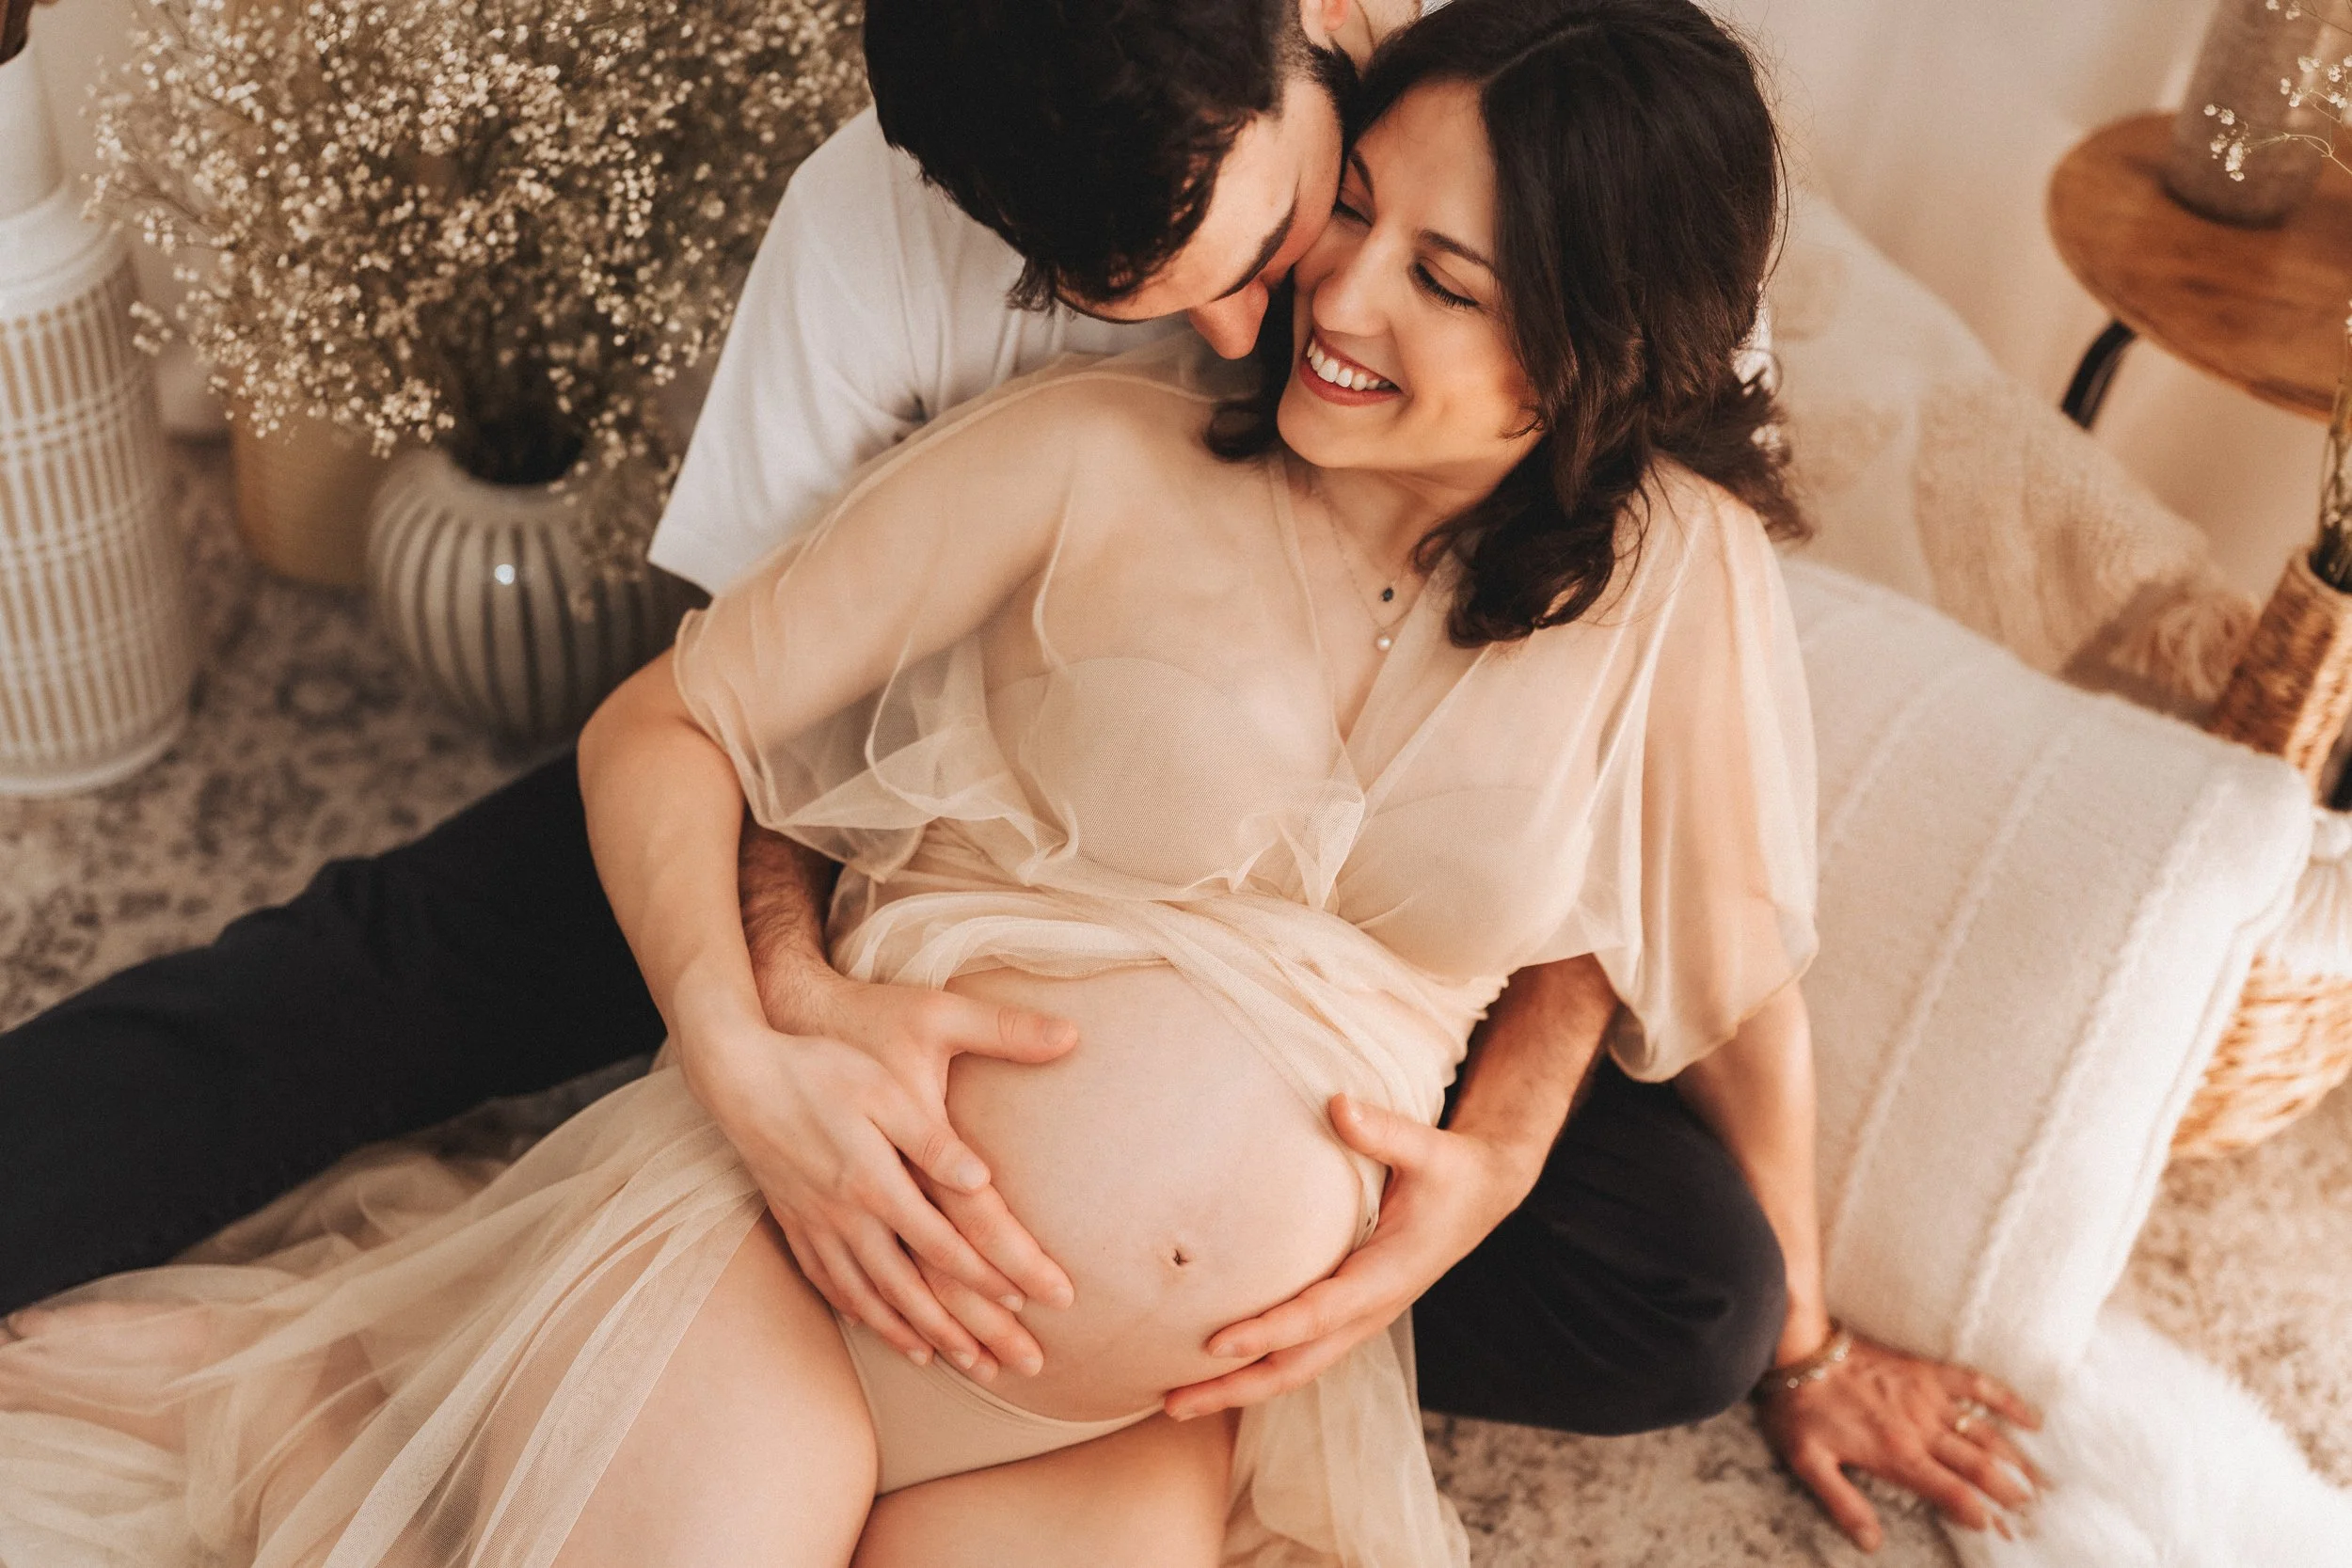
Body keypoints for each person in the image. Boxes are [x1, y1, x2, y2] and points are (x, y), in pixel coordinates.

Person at [0, 3, 2045, 1563]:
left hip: (1140, 1375)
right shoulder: (982, 341)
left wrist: (1520, 1172)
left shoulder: (1550, 188)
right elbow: (726, 727)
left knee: (1694, 1277)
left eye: (1362, 245)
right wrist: (771, 1023)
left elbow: (1662, 896)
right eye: (1207, 279)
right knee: (389, 962)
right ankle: (359, 1369)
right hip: (870, 832)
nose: (1303, 311)